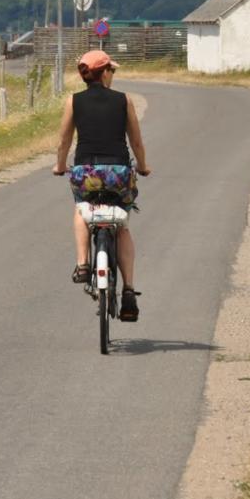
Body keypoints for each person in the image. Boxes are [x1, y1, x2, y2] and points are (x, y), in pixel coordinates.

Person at [52, 49, 151, 322]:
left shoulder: (74, 101)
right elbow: (136, 142)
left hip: (86, 172)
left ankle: (83, 264)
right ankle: (129, 289)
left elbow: (64, 142)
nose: (113, 75)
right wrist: (142, 166)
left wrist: (60, 166)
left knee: (82, 209)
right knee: (122, 227)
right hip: (118, 174)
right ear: (104, 72)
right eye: (112, 70)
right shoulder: (124, 101)